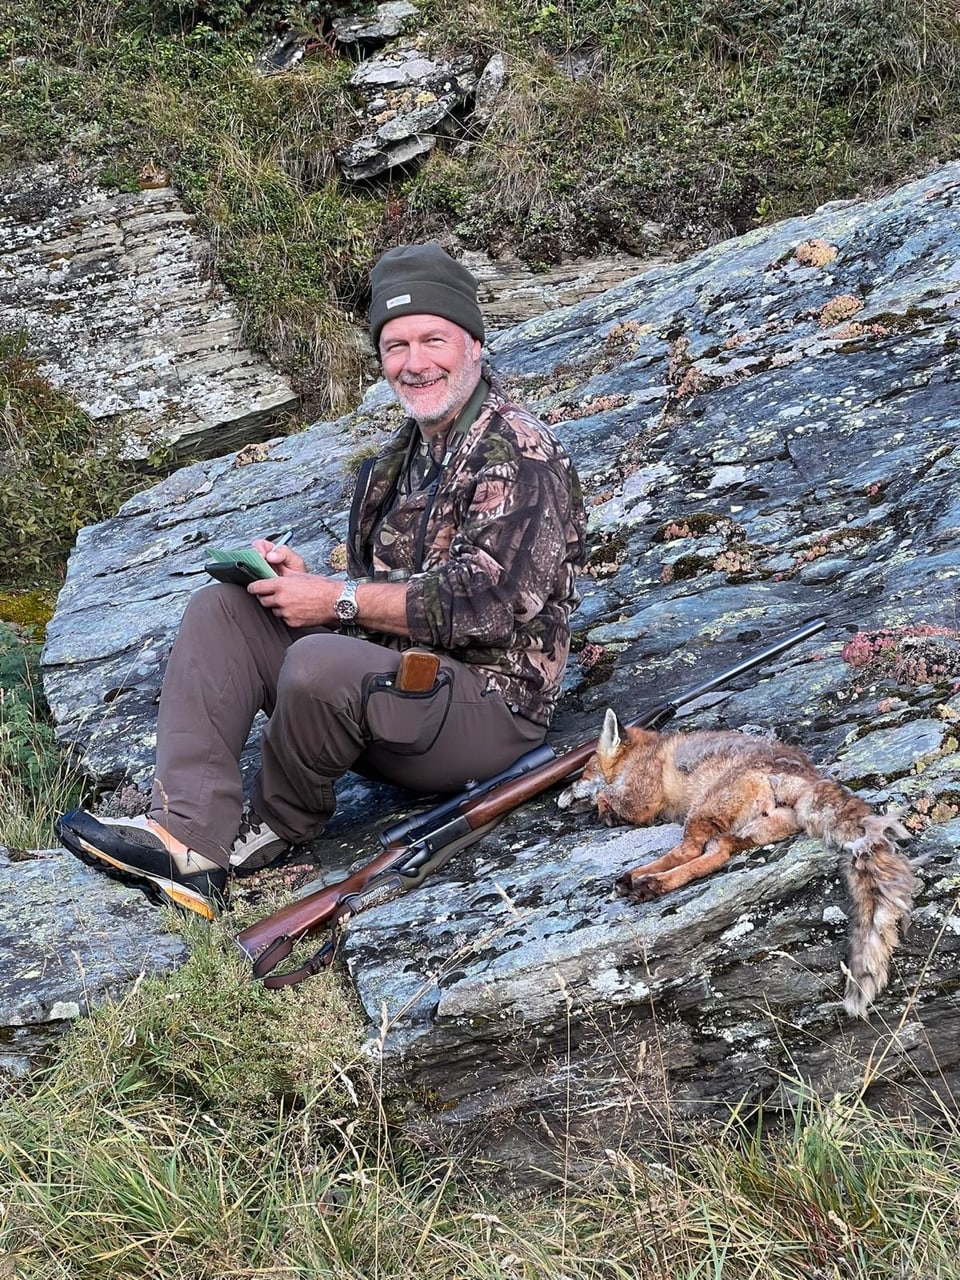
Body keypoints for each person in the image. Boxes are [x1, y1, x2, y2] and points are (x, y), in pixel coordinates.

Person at [56, 243, 587, 919]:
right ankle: (189, 840)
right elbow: (386, 596)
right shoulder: (402, 459)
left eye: (433, 340)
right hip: (400, 695)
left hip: (489, 713)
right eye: (396, 346)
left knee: (316, 659)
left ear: (474, 345)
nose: (415, 363)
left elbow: (489, 606)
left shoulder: (519, 453)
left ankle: (278, 825)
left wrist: (336, 603)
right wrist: (314, 589)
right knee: (224, 611)